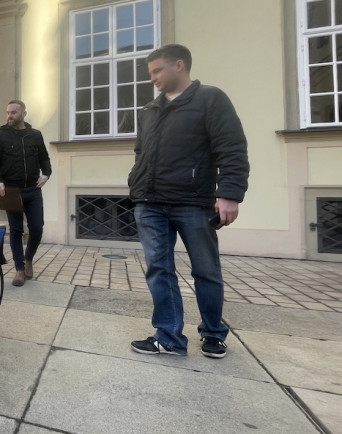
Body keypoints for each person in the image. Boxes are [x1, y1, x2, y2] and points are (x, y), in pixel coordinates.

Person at [128, 44, 250, 359]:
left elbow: (232, 147)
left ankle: (213, 334)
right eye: (150, 72)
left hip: (193, 202)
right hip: (149, 202)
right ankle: (169, 337)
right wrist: (135, 180)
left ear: (179, 65)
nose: (152, 78)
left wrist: (230, 194)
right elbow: (141, 152)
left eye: (157, 71)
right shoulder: (149, 110)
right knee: (159, 269)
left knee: (206, 270)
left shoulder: (210, 99)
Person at [0, 100, 52, 287]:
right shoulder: (0, 136)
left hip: (33, 189)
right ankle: (19, 269)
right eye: (8, 112)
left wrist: (47, 174)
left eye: (14, 112)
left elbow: (44, 158)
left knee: (37, 227)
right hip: (10, 189)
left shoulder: (35, 135)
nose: (9, 116)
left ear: (24, 113)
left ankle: (29, 258)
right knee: (15, 231)